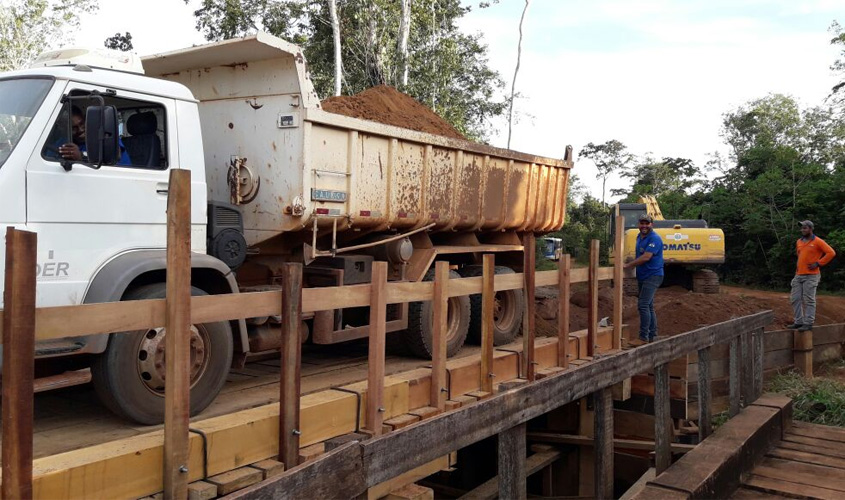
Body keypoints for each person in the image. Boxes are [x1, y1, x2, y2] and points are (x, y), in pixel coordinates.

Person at [787, 220, 836, 331]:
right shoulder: (799, 241)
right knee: (795, 299)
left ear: (810, 229)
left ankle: (808, 323)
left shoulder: (818, 241)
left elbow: (831, 253)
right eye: (802, 228)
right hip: (798, 275)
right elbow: (800, 256)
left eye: (805, 228)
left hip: (811, 275)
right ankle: (798, 321)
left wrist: (818, 263)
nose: (802, 230)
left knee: (809, 299)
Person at [624, 214, 664, 343]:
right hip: (643, 275)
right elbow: (639, 255)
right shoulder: (639, 237)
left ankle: (643, 337)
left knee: (643, 305)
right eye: (642, 223)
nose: (644, 226)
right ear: (638, 224)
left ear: (651, 224)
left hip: (653, 275)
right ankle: (653, 335)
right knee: (649, 306)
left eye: (647, 223)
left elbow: (646, 257)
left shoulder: (655, 238)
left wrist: (629, 265)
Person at [55, 106, 131, 165]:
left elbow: (115, 156)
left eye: (82, 124)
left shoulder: (104, 134)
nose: (80, 130)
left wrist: (82, 156)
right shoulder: (63, 143)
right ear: (65, 130)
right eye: (73, 128)